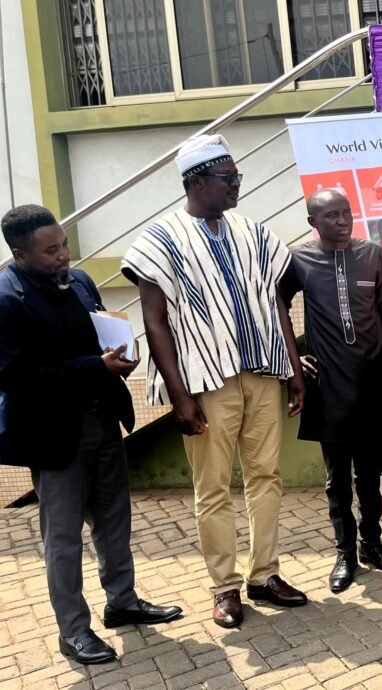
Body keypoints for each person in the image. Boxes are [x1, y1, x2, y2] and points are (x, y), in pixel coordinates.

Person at [121, 134, 307, 629]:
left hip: (263, 371)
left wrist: (292, 369)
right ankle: (224, 587)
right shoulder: (158, 240)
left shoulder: (252, 231)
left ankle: (264, 574)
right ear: (196, 181)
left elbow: (277, 304)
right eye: (228, 179)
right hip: (207, 381)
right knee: (214, 488)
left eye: (238, 177)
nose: (237, 186)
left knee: (267, 476)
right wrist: (179, 396)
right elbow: (155, 322)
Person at [0, 205, 181, 665]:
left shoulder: (79, 282)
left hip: (103, 422)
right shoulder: (5, 299)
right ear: (20, 255)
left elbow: (98, 333)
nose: (65, 256)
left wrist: (119, 354)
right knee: (63, 539)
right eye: (51, 251)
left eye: (64, 244)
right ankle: (73, 632)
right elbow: (16, 374)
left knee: (114, 521)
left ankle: (122, 602)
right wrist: (93, 367)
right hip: (53, 435)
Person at [279, 189, 382, 593]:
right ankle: (345, 553)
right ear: (313, 223)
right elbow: (275, 306)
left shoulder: (371, 254)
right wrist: (293, 359)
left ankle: (372, 544)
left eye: (346, 212)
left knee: (371, 473)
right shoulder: (298, 259)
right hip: (329, 385)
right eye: (331, 215)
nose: (341, 220)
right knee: (337, 479)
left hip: (372, 380)